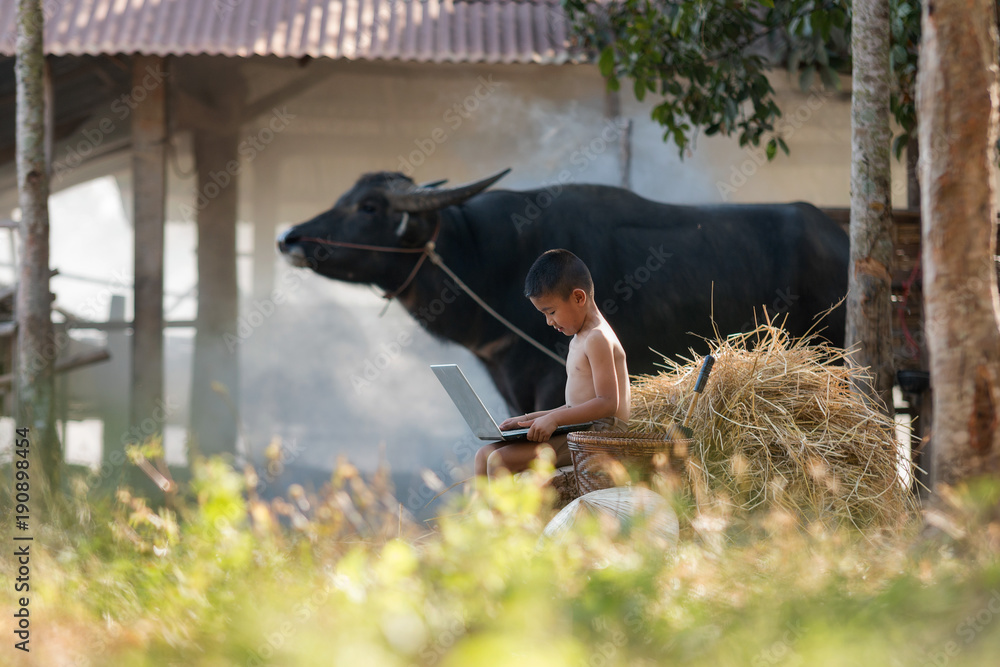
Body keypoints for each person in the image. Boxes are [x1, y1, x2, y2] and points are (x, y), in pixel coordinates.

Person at [474, 249, 630, 480]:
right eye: (544, 314)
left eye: (552, 312)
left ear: (579, 298)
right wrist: (528, 419)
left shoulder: (597, 338)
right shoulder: (580, 338)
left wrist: (554, 420)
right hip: (580, 431)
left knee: (500, 460)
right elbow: (573, 407)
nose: (549, 322)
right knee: (484, 454)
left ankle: (502, 516)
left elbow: (607, 404)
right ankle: (479, 515)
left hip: (601, 438)